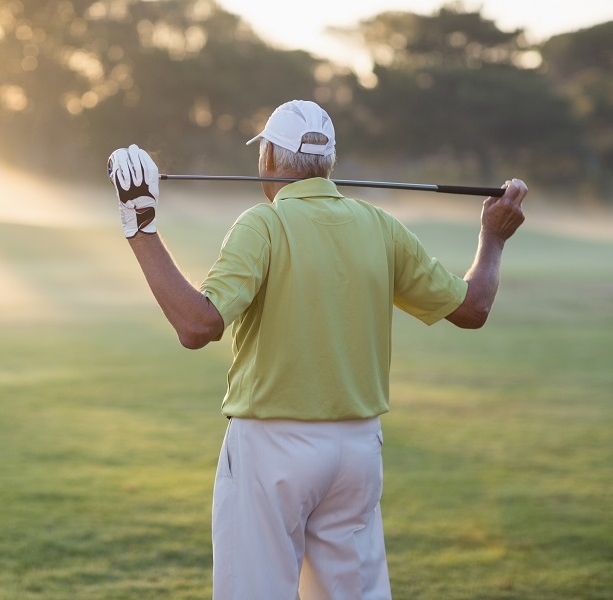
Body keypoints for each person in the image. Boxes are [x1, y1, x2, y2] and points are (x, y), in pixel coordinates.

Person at [106, 99, 527, 600]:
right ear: (327, 163)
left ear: (267, 158)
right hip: (357, 453)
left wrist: (141, 227)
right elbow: (472, 308)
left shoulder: (263, 224)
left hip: (272, 450)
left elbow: (197, 326)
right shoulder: (380, 226)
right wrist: (493, 237)